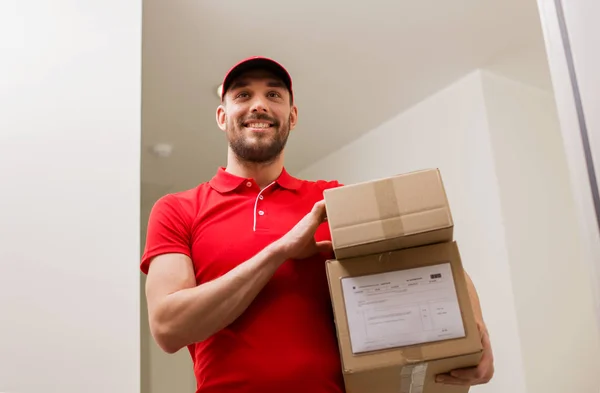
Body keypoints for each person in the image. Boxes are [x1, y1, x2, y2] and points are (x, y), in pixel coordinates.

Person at [141, 56, 495, 393]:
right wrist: (280, 251)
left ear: (292, 116)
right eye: (243, 94)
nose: (259, 105)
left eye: (274, 94)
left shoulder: (332, 201)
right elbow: (168, 328)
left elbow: (431, 257)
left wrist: (476, 330)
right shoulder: (178, 209)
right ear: (222, 116)